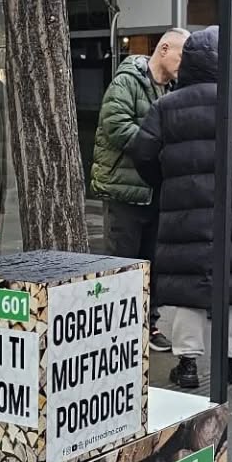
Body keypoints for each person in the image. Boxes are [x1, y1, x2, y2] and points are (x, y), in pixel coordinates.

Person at [128, 26, 232, 390]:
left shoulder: (166, 106)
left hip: (183, 206)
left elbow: (142, 153)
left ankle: (188, 364)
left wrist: (166, 181)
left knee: (188, 285)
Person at [91, 29, 187, 349]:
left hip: (155, 191)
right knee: (122, 264)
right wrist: (158, 147)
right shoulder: (127, 81)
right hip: (124, 191)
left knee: (153, 263)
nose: (184, 63)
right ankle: (116, 331)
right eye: (181, 55)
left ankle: (148, 325)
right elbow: (116, 125)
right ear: (164, 49)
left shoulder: (171, 89)